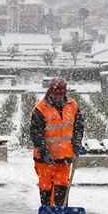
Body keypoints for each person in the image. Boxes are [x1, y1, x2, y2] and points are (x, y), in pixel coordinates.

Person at [30, 77, 85, 207]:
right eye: (56, 94)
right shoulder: (40, 109)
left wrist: (77, 142)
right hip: (45, 160)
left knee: (62, 188)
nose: (58, 98)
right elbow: (36, 134)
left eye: (61, 95)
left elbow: (79, 126)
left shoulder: (72, 106)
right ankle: (47, 212)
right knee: (46, 188)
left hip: (65, 157)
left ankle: (60, 213)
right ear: (50, 92)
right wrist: (44, 153)